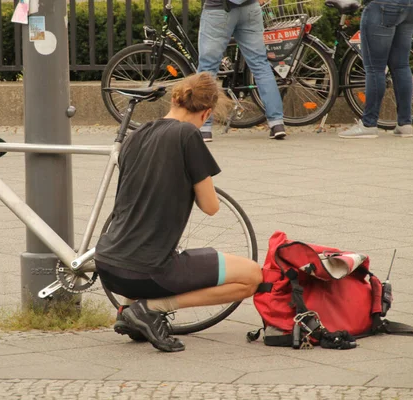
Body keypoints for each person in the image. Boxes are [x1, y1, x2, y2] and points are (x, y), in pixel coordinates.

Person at [94, 72, 263, 353]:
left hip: (109, 265)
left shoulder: (139, 134)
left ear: (175, 98)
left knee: (144, 248)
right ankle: (150, 309)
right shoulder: (187, 134)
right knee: (252, 276)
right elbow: (211, 207)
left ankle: (128, 310)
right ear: (206, 112)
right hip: (148, 270)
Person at [197, 0, 286, 141]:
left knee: (207, 68)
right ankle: (277, 123)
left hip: (219, 9)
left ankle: (204, 127)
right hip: (250, 7)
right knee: (260, 64)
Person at [339, 0, 413, 139]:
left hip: (382, 6)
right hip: (411, 5)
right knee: (401, 65)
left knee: (375, 68)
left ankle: (369, 124)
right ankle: (405, 124)